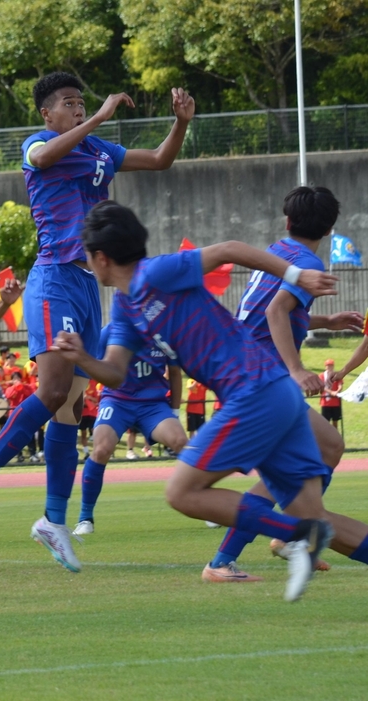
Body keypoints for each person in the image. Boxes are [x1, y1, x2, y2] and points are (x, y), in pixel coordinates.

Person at [53, 200, 368, 602]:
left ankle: (292, 536)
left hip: (253, 393)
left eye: (87, 257)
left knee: (182, 492)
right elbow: (114, 371)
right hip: (272, 392)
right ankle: (299, 533)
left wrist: (295, 275)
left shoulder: (158, 271)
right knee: (315, 515)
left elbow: (229, 249)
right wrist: (82, 358)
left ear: (100, 257)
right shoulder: (126, 310)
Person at [0, 72, 195, 561]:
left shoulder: (100, 150)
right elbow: (42, 159)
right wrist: (103, 115)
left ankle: (53, 520)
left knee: (71, 405)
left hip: (90, 285)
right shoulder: (39, 144)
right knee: (54, 389)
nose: (80, 108)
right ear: (48, 114)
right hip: (55, 278)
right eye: (69, 103)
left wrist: (180, 124)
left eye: (83, 102)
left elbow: (161, 160)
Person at [200, 186, 362, 581]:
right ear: (329, 230)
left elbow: (266, 310)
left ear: (287, 222)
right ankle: (227, 560)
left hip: (250, 372)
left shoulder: (278, 252)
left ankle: (281, 538)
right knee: (306, 461)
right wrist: (294, 368)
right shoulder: (307, 260)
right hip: (260, 378)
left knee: (324, 450)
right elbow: (275, 311)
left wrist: (325, 320)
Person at [73, 323, 186, 535]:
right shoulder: (110, 330)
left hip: (153, 404)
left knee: (182, 442)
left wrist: (175, 412)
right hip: (117, 401)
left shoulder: (165, 331)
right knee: (101, 449)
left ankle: (204, 504)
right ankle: (85, 517)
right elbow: (95, 366)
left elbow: (175, 372)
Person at [319, 359, 343, 429]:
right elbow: (322, 387)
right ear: (325, 367)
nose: (329, 367)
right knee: (325, 422)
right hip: (325, 402)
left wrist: (337, 391)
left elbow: (340, 384)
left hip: (335, 402)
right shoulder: (322, 376)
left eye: (331, 365)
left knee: (335, 421)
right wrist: (331, 392)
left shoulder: (337, 375)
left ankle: (335, 436)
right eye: (328, 365)